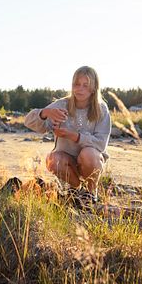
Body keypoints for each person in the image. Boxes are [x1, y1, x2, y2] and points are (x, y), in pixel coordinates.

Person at [24, 66, 111, 203]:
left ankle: (90, 192)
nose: (80, 89)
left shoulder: (101, 109)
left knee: (88, 154)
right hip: (66, 160)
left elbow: (100, 143)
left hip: (91, 160)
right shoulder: (62, 105)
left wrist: (73, 136)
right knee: (52, 160)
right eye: (77, 84)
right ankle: (74, 189)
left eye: (85, 85)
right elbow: (28, 121)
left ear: (93, 88)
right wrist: (45, 113)